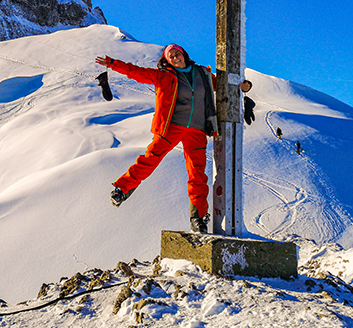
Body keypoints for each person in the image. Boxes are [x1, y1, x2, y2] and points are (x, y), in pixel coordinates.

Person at [94, 44, 252, 234]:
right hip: (171, 127)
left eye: (177, 54)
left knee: (197, 175)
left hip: (197, 130)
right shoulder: (164, 76)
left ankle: (199, 218)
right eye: (171, 57)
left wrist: (244, 86)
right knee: (150, 158)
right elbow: (136, 72)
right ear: (167, 61)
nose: (176, 58)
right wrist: (113, 63)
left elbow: (223, 85)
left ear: (184, 54)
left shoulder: (202, 74)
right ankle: (122, 189)